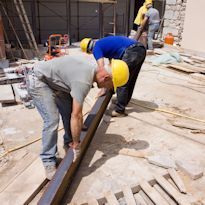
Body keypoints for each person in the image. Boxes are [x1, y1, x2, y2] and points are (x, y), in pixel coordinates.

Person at [27, 55, 129, 180]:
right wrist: (77, 144)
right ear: (106, 77)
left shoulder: (92, 69)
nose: (109, 88)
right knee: (52, 120)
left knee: (68, 111)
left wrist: (77, 128)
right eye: (110, 85)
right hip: (39, 79)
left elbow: (73, 114)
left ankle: (68, 141)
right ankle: (48, 161)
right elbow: (77, 115)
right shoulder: (83, 81)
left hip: (55, 81)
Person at [80, 35, 146, 117]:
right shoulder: (103, 43)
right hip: (140, 49)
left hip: (131, 52)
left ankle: (119, 110)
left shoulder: (96, 48)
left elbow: (102, 70)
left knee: (121, 79)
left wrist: (103, 88)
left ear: (89, 50)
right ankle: (123, 101)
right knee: (130, 78)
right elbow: (112, 65)